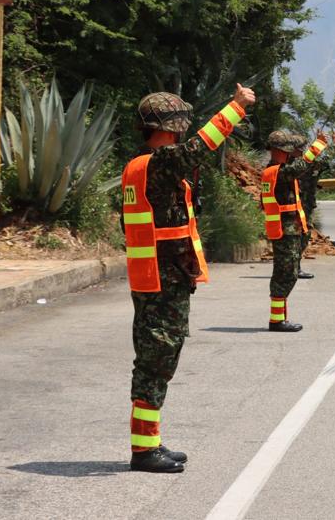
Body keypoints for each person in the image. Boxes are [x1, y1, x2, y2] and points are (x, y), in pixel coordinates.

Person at [123, 84, 255, 474]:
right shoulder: (160, 163)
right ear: (172, 127)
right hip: (160, 280)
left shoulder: (141, 165)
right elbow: (201, 147)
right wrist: (236, 108)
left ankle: (149, 443)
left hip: (160, 277)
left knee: (158, 358)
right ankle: (144, 451)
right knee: (156, 360)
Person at [261, 129, 330, 331]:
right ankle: (276, 321)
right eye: (288, 151)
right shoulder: (277, 171)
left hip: (286, 228)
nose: (291, 154)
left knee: (286, 273)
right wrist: (318, 145)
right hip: (284, 230)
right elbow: (302, 165)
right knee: (285, 274)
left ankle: (278, 318)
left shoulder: (278, 169)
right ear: (280, 150)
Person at [295, 134, 331, 279]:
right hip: (297, 205)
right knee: (298, 235)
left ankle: (294, 266)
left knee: (304, 234)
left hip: (306, 204)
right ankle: (294, 268)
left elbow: (324, 162)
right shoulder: (297, 165)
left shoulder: (309, 163)